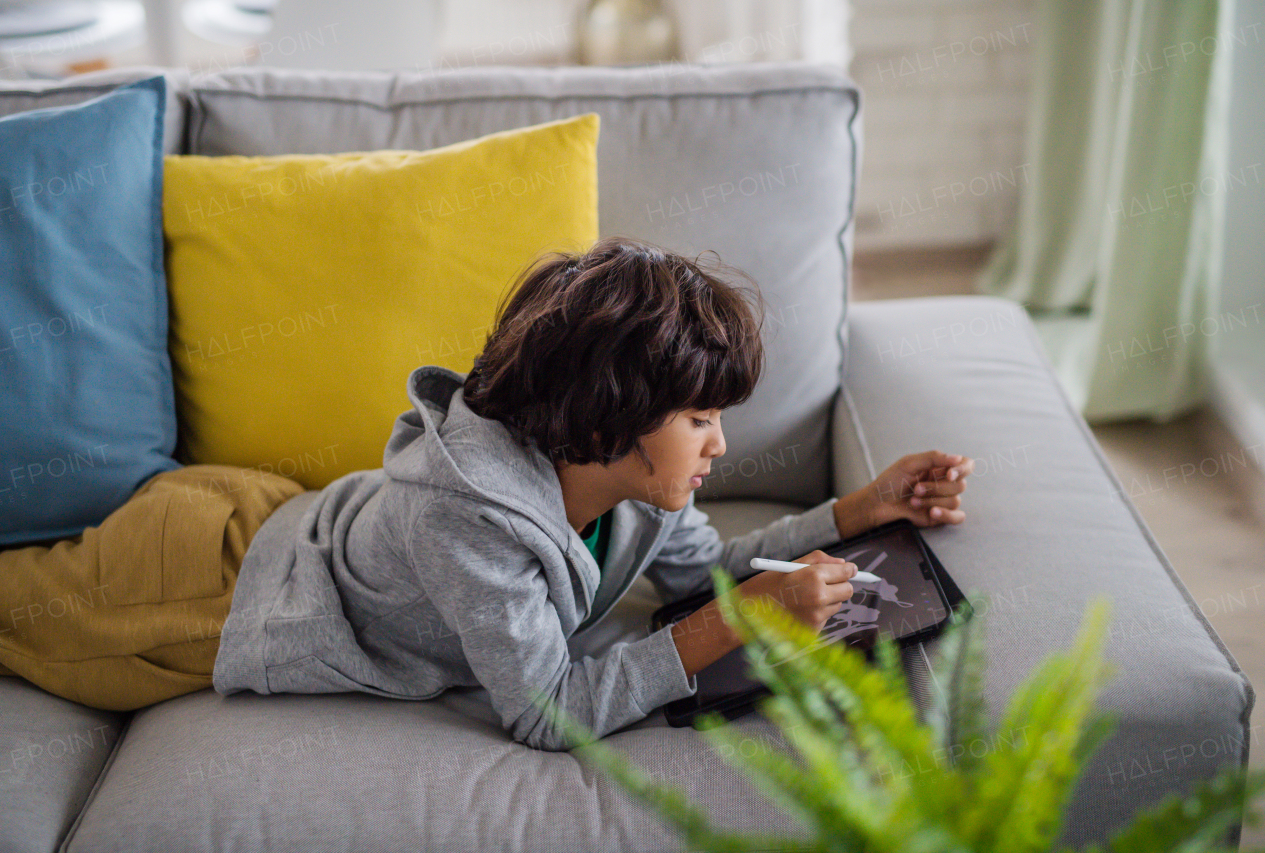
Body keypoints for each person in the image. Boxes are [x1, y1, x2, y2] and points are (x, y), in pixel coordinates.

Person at [0, 235, 973, 751]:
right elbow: (544, 714)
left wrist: (860, 510)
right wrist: (735, 626)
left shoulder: (641, 490)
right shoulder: (469, 515)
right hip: (207, 584)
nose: (721, 442)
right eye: (697, 419)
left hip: (266, 509)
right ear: (607, 418)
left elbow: (705, 570)